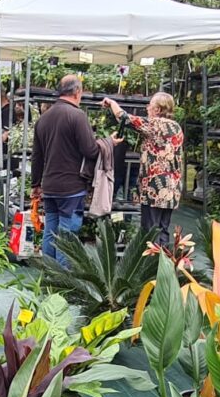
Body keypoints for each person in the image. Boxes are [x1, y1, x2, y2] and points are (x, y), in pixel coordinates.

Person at [31, 74, 100, 263]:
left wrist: (35, 184)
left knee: (50, 231)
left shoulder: (43, 119)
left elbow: (36, 156)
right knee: (67, 235)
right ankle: (63, 283)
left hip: (50, 186)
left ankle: (48, 276)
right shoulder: (77, 116)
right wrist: (107, 143)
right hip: (71, 187)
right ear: (78, 92)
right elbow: (90, 150)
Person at [103, 92, 183, 249]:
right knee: (163, 230)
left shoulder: (155, 125)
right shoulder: (176, 127)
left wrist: (111, 103)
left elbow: (125, 118)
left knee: (150, 232)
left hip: (155, 188)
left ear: (158, 109)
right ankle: (163, 267)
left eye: (150, 105)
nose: (147, 108)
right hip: (171, 189)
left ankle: (150, 267)